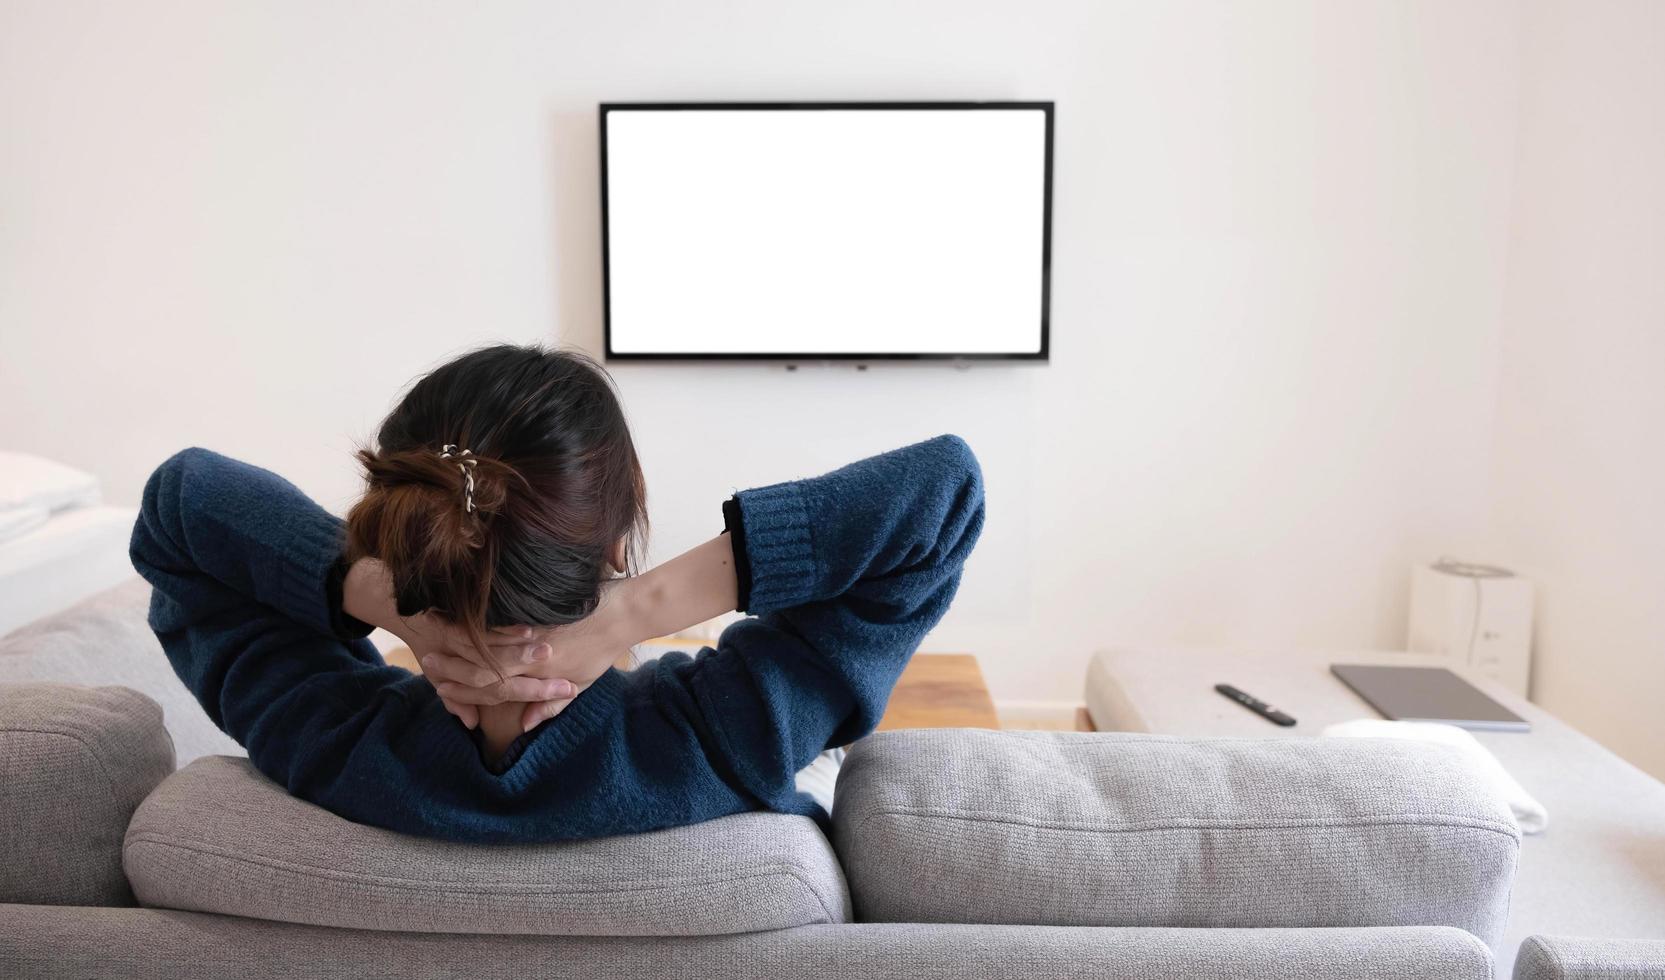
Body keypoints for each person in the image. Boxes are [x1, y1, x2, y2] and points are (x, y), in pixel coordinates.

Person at [129, 344, 984, 843]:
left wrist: (404, 612)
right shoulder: (722, 748)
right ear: (614, 545)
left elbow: (184, 501)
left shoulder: (328, 748)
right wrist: (631, 611)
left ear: (397, 532)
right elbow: (942, 492)